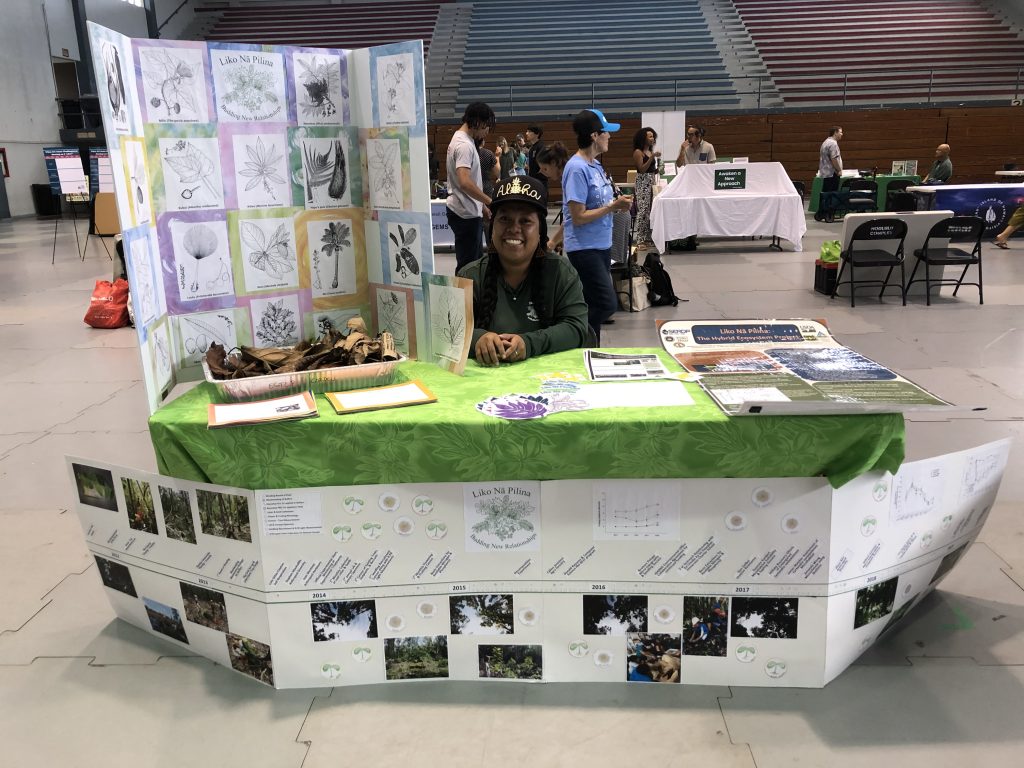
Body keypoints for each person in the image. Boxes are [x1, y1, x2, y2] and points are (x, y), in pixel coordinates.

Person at [457, 174, 589, 365]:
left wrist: (529, 343)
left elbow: (576, 328)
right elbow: (449, 331)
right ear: (492, 227)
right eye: (504, 219)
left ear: (540, 231)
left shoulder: (561, 273)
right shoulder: (469, 276)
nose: (514, 228)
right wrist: (478, 339)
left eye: (525, 221)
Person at [562, 109, 633, 344]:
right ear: (594, 135)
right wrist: (613, 207)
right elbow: (578, 216)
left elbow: (601, 204)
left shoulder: (595, 166)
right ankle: (571, 336)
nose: (609, 137)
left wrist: (618, 204)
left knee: (592, 303)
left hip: (601, 246)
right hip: (584, 249)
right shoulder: (576, 169)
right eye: (606, 133)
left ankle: (589, 352)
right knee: (605, 303)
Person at [446, 102, 496, 270]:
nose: (486, 132)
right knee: (468, 266)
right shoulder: (465, 145)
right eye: (486, 127)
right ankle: (465, 296)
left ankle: (472, 295)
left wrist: (481, 206)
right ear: (479, 123)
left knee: (473, 262)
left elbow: (470, 181)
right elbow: (465, 182)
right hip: (464, 213)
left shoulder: (461, 139)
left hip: (468, 210)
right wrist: (489, 200)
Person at [674, 125, 714, 249]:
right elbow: (679, 164)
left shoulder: (708, 147)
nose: (688, 137)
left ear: (698, 136)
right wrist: (681, 149)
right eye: (687, 134)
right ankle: (690, 237)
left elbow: (712, 166)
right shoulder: (685, 148)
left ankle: (694, 235)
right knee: (689, 210)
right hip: (689, 184)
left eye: (690, 134)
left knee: (699, 211)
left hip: (703, 184)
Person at [536, 141, 571, 251]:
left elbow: (572, 216)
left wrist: (553, 241)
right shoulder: (567, 176)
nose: (542, 172)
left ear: (554, 163)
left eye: (545, 168)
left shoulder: (570, 177)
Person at [631, 126, 661, 248]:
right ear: (643, 138)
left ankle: (648, 237)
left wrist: (658, 169)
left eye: (653, 136)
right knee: (643, 210)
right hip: (643, 182)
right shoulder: (638, 152)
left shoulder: (649, 152)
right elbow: (642, 169)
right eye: (650, 136)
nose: (652, 138)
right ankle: (640, 239)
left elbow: (650, 169)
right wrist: (652, 157)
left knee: (650, 210)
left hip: (651, 181)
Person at [815, 125, 844, 223]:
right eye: (840, 132)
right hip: (832, 173)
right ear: (835, 132)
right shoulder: (833, 144)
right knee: (832, 194)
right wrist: (839, 169)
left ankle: (821, 213)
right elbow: (834, 158)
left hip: (826, 173)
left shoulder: (825, 142)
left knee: (826, 194)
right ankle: (829, 214)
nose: (842, 134)